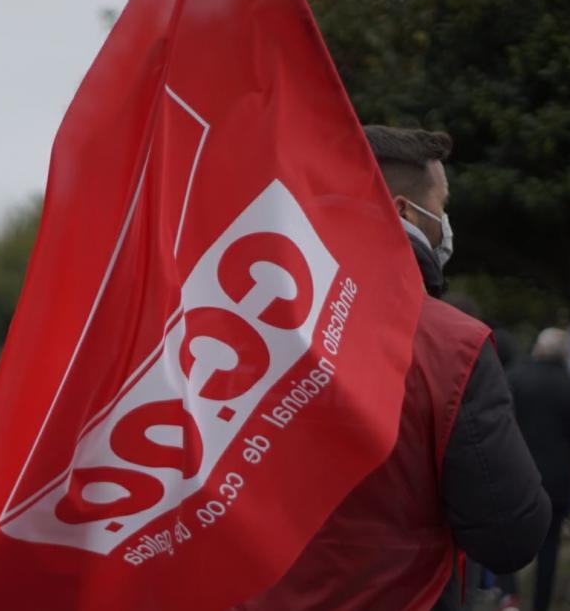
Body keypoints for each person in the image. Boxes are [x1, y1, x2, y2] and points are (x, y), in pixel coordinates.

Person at [234, 125, 550, 611]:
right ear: (404, 211)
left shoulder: (236, 334)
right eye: (441, 206)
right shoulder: (452, 346)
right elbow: (509, 536)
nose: (445, 223)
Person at [501, 328, 570, 611]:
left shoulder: (515, 379)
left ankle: (509, 596)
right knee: (550, 544)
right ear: (564, 354)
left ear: (537, 349)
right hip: (558, 478)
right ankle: (541, 603)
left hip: (517, 473)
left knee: (506, 535)